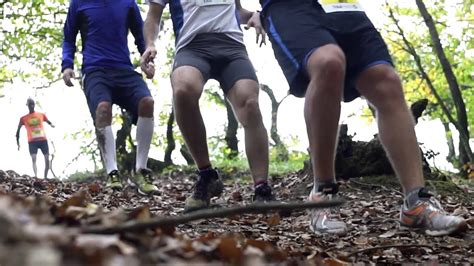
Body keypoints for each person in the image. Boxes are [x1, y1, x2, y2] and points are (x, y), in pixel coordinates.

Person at [251, 0, 467, 235]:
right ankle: (322, 194)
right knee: (328, 62)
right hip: (290, 7)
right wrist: (241, 13)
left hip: (341, 6)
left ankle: (416, 203)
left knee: (386, 80)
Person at [141, 0, 274, 212]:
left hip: (232, 47)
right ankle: (207, 175)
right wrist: (149, 44)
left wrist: (255, 16)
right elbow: (153, 16)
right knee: (183, 89)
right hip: (192, 47)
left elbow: (238, 11)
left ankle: (262, 189)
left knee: (249, 103)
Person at [61, 0, 158, 195]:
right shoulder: (78, 3)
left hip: (124, 69)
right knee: (103, 108)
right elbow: (69, 37)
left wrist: (145, 57)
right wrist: (67, 64)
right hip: (94, 71)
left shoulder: (127, 3)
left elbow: (140, 34)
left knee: (147, 102)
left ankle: (141, 170)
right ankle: (112, 172)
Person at [16, 98, 55, 179]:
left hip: (43, 140)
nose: (31, 106)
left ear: (34, 105)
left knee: (47, 159)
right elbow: (18, 131)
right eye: (30, 104)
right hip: (32, 142)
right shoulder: (23, 118)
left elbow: (48, 121)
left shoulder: (41, 115)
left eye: (32, 104)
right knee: (34, 158)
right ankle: (36, 176)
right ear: (27, 105)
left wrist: (52, 124)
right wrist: (18, 143)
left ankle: (45, 177)